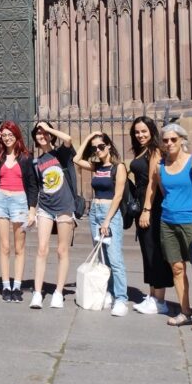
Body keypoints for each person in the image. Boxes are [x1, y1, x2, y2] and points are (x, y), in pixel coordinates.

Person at [142, 123, 192, 329]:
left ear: (182, 139)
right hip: (168, 222)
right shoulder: (160, 166)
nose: (169, 143)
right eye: (165, 140)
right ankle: (185, 311)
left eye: (173, 139)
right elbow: (160, 190)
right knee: (177, 268)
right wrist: (150, 208)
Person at [74, 132, 130, 316]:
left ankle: (121, 298)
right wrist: (90, 136)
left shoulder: (118, 167)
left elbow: (119, 195)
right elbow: (76, 158)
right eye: (94, 148)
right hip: (95, 213)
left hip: (109, 214)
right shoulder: (97, 166)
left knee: (115, 258)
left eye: (101, 146)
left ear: (109, 146)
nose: (97, 150)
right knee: (103, 256)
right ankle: (110, 292)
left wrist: (107, 220)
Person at [29, 121, 77, 309]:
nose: (41, 136)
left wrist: (48, 129)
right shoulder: (36, 162)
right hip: (45, 207)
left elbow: (69, 139)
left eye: (44, 133)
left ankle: (58, 292)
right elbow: (35, 187)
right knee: (42, 249)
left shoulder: (61, 154)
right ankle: (38, 292)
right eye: (38, 134)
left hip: (64, 206)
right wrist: (32, 210)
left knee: (62, 250)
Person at [0, 121, 38, 303]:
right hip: (1, 199)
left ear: (17, 136)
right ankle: (5, 285)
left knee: (19, 247)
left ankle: (17, 285)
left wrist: (32, 210)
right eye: (4, 135)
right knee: (4, 246)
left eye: (11, 134)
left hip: (20, 201)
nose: (8, 138)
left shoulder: (26, 157)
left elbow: (33, 185)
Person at [130, 117, 172, 316]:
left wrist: (146, 209)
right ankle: (153, 296)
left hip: (153, 207)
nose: (140, 135)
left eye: (144, 131)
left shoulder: (155, 151)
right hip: (143, 206)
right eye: (137, 132)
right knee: (148, 251)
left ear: (152, 131)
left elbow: (153, 182)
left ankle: (160, 300)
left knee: (155, 252)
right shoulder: (143, 150)